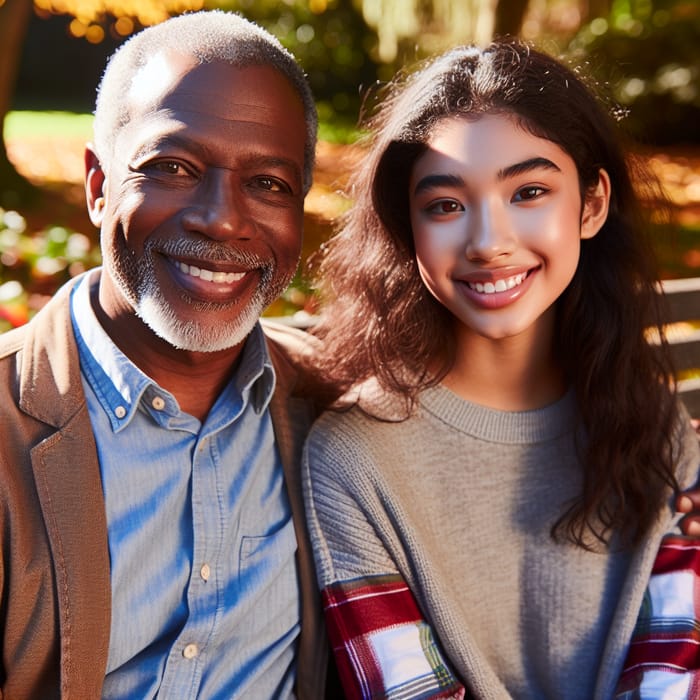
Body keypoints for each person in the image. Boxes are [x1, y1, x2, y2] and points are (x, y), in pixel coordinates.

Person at [302, 40, 700, 699]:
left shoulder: (655, 425)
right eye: (446, 205)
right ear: (410, 229)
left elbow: (672, 671)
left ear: (592, 205)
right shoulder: (352, 461)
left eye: (530, 191)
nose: (489, 241)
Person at [0, 11, 333, 699]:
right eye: (173, 167)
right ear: (97, 186)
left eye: (269, 183)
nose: (222, 218)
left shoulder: (331, 402)